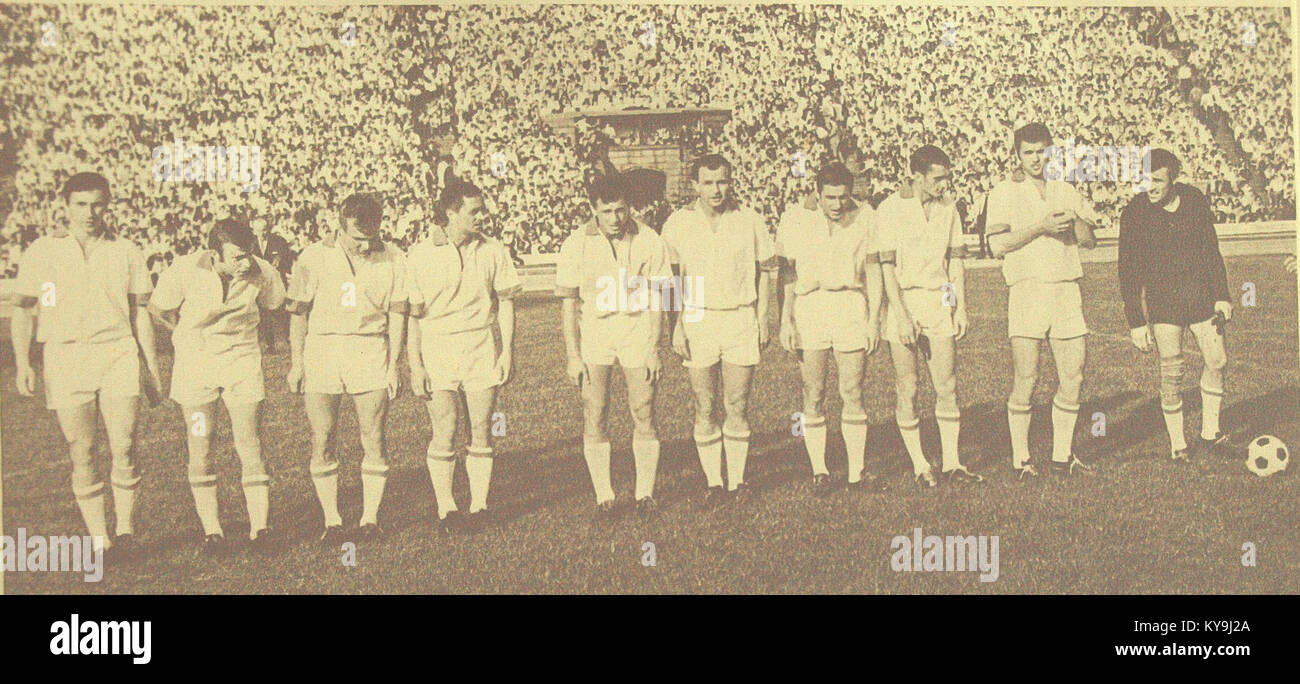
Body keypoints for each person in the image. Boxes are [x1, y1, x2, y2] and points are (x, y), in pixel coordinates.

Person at [9, 172, 162, 559]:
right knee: (82, 449)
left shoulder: (125, 249)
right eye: (81, 204)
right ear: (66, 207)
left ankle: (125, 531)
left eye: (97, 204)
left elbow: (139, 312)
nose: (89, 212)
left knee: (124, 444)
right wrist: (23, 363)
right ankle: (100, 539)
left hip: (117, 352)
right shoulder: (43, 251)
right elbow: (25, 310)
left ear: (108, 204)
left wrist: (152, 366)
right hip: (65, 355)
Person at [150, 218, 285, 554]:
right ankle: (213, 532)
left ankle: (261, 529)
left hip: (241, 360)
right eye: (236, 256)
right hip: (196, 366)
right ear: (214, 254)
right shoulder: (184, 269)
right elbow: (158, 309)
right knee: (201, 443)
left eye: (248, 253)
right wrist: (183, 335)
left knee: (249, 442)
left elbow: (275, 304)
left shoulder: (261, 270)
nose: (244, 261)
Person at [285, 193, 407, 543]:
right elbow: (298, 313)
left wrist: (393, 364)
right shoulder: (314, 256)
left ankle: (370, 519)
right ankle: (333, 521)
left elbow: (398, 313)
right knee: (323, 436)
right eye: (357, 238)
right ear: (340, 226)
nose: (364, 245)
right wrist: (297, 362)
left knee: (374, 436)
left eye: (371, 236)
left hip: (370, 346)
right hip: (322, 348)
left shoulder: (394, 257)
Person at [986, 123, 1101, 479]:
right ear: (1017, 156)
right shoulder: (1003, 191)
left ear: (1051, 151)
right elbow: (997, 245)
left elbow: (1090, 240)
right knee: (1028, 377)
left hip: (1066, 287)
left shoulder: (1065, 189)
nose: (1036, 159)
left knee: (1074, 375)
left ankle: (1062, 456)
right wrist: (1041, 227)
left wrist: (1077, 222)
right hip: (1027, 288)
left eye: (1042, 151)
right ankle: (1021, 459)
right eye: (1029, 153)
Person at [662, 154, 777, 505]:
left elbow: (766, 270)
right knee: (705, 403)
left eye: (722, 181)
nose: (716, 190)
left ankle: (738, 481)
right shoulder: (677, 223)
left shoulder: (749, 220)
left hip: (740, 316)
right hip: (698, 318)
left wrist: (761, 317)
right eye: (708, 183)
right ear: (694, 185)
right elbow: (670, 282)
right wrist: (677, 326)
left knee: (737, 403)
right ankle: (714, 481)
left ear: (731, 181)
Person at [407, 181, 520, 533]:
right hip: (437, 345)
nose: (482, 216)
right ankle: (446, 508)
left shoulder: (493, 249)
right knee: (445, 427)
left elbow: (506, 303)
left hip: (480, 344)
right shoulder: (421, 253)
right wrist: (415, 365)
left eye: (482, 209)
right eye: (474, 210)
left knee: (482, 427)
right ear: (451, 213)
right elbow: (413, 315)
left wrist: (506, 352)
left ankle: (480, 506)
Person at [556, 173, 671, 519]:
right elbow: (568, 304)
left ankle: (644, 494)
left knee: (644, 408)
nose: (615, 219)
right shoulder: (575, 243)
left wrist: (654, 347)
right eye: (606, 211)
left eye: (621, 210)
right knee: (596, 411)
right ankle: (604, 497)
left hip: (636, 329)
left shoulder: (648, 238)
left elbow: (657, 297)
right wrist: (572, 355)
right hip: (596, 332)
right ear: (593, 209)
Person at [777, 162, 885, 494]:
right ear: (817, 193)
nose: (838, 205)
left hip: (850, 304)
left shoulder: (866, 216)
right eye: (830, 198)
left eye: (843, 197)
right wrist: (786, 320)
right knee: (814, 392)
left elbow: (874, 269)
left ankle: (856, 472)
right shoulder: (795, 218)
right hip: (810, 306)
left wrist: (874, 319)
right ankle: (820, 470)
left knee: (852, 391)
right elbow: (787, 274)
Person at [878, 145, 982, 488]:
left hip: (938, 301)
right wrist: (900, 314)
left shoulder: (948, 208)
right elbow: (887, 267)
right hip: (904, 301)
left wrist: (957, 305)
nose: (944, 184)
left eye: (946, 177)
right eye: (937, 178)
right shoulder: (891, 209)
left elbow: (953, 263)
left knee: (947, 384)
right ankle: (920, 463)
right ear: (917, 176)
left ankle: (951, 462)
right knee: (907, 388)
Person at [1119, 148, 1231, 460]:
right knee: (1172, 370)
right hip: (1164, 300)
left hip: (1200, 296)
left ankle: (1211, 433)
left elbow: (1211, 250)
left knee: (1218, 360)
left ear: (1173, 179)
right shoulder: (1134, 213)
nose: (1149, 186)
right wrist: (1136, 321)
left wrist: (1222, 295)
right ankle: (1178, 445)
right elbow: (1127, 272)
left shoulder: (1194, 200)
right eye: (1144, 179)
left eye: (1156, 180)